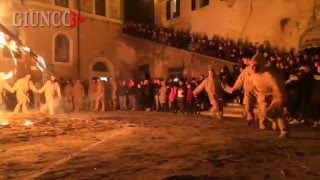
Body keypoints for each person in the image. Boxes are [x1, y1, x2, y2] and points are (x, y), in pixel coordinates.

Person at [248, 53, 288, 138]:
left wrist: (278, 95)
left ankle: (284, 130)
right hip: (262, 96)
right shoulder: (252, 75)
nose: (253, 67)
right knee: (265, 112)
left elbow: (275, 85)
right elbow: (252, 85)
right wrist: (254, 92)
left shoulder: (267, 75)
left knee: (278, 112)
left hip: (273, 94)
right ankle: (273, 120)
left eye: (255, 66)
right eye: (252, 66)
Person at [231, 56, 256, 126]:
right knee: (247, 107)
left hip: (255, 91)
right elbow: (240, 80)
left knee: (250, 107)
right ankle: (250, 119)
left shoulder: (254, 67)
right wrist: (234, 88)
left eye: (244, 59)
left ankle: (250, 120)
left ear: (248, 59)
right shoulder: (245, 71)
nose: (243, 61)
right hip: (247, 91)